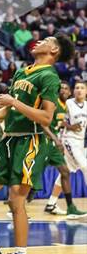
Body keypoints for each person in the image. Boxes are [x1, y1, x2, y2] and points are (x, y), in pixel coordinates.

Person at [0, 34, 74, 254]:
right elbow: (8, 111)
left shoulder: (48, 76)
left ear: (54, 50)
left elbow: (46, 118)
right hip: (9, 140)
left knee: (16, 200)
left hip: (32, 142)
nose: (39, 42)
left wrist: (14, 101)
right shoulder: (22, 72)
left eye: (46, 40)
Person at [43, 81, 86, 218]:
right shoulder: (68, 103)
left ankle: (51, 203)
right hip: (68, 140)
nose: (79, 90)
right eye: (77, 87)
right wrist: (70, 126)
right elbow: (59, 119)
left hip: (80, 142)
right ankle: (69, 208)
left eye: (82, 88)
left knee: (65, 172)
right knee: (85, 167)